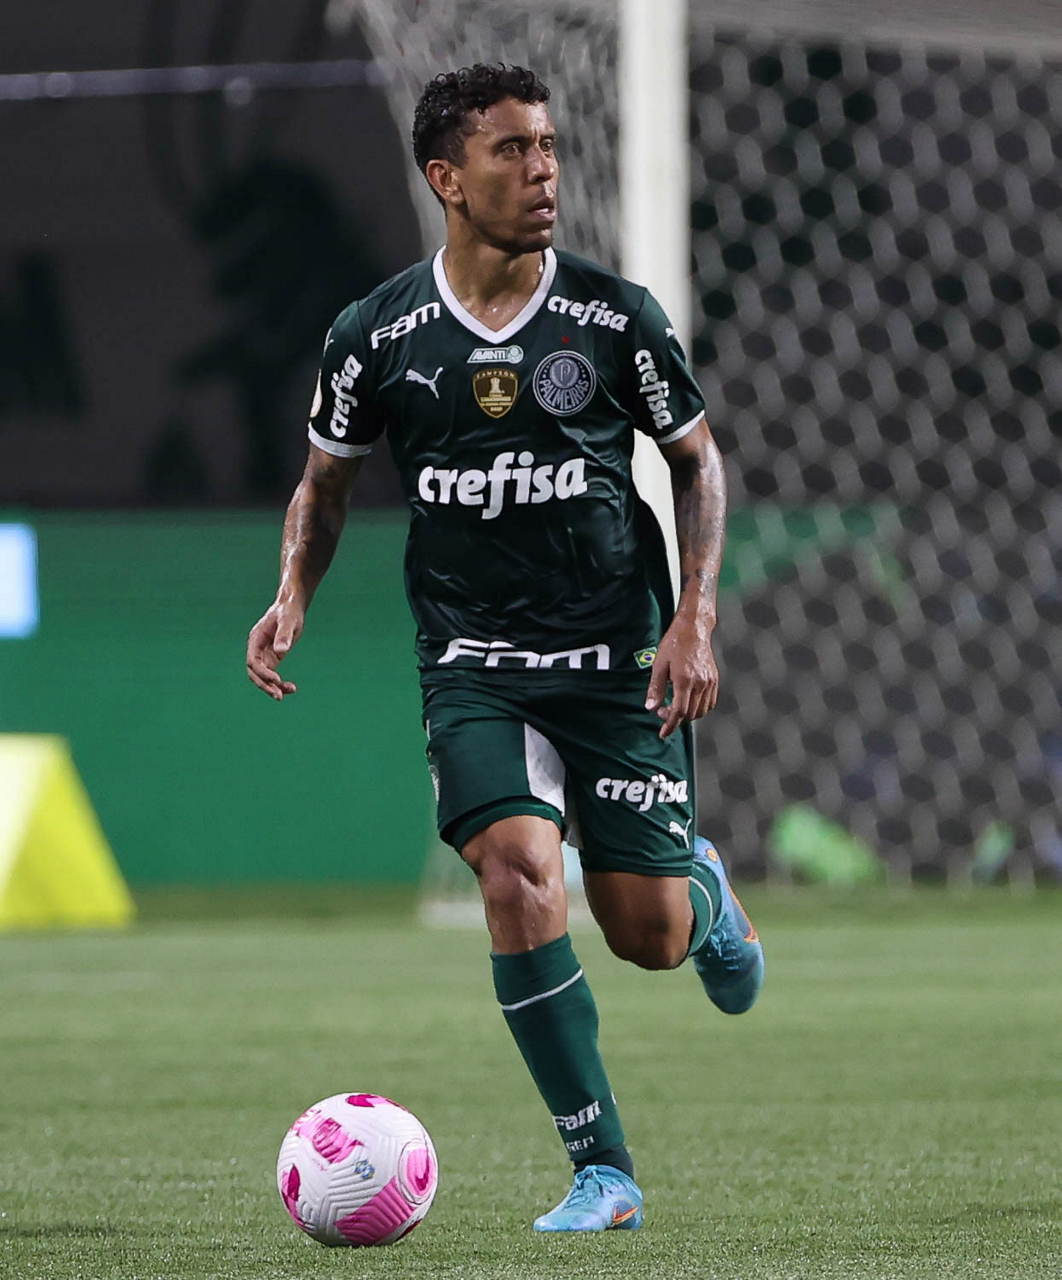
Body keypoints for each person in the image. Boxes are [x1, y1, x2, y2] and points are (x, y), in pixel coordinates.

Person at [247, 63, 764, 1233]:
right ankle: (604, 1169)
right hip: (472, 660)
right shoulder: (375, 335)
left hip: (614, 655)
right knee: (518, 870)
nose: (543, 172)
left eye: (549, 147)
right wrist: (292, 595)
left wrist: (694, 617)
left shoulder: (614, 317)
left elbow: (697, 462)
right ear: (447, 176)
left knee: (646, 934)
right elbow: (324, 486)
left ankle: (701, 888)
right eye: (512, 150)